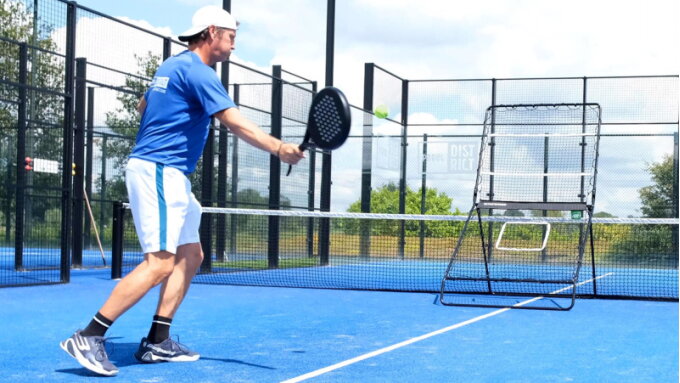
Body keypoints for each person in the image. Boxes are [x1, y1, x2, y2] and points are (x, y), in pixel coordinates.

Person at [60, 5, 303, 376]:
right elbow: (235, 123)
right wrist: (280, 149)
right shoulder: (199, 72)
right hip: (159, 170)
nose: (234, 46)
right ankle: (89, 335)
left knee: (191, 254)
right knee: (159, 263)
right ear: (211, 32)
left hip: (169, 172)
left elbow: (144, 104)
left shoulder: (171, 66)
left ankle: (157, 340)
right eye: (231, 37)